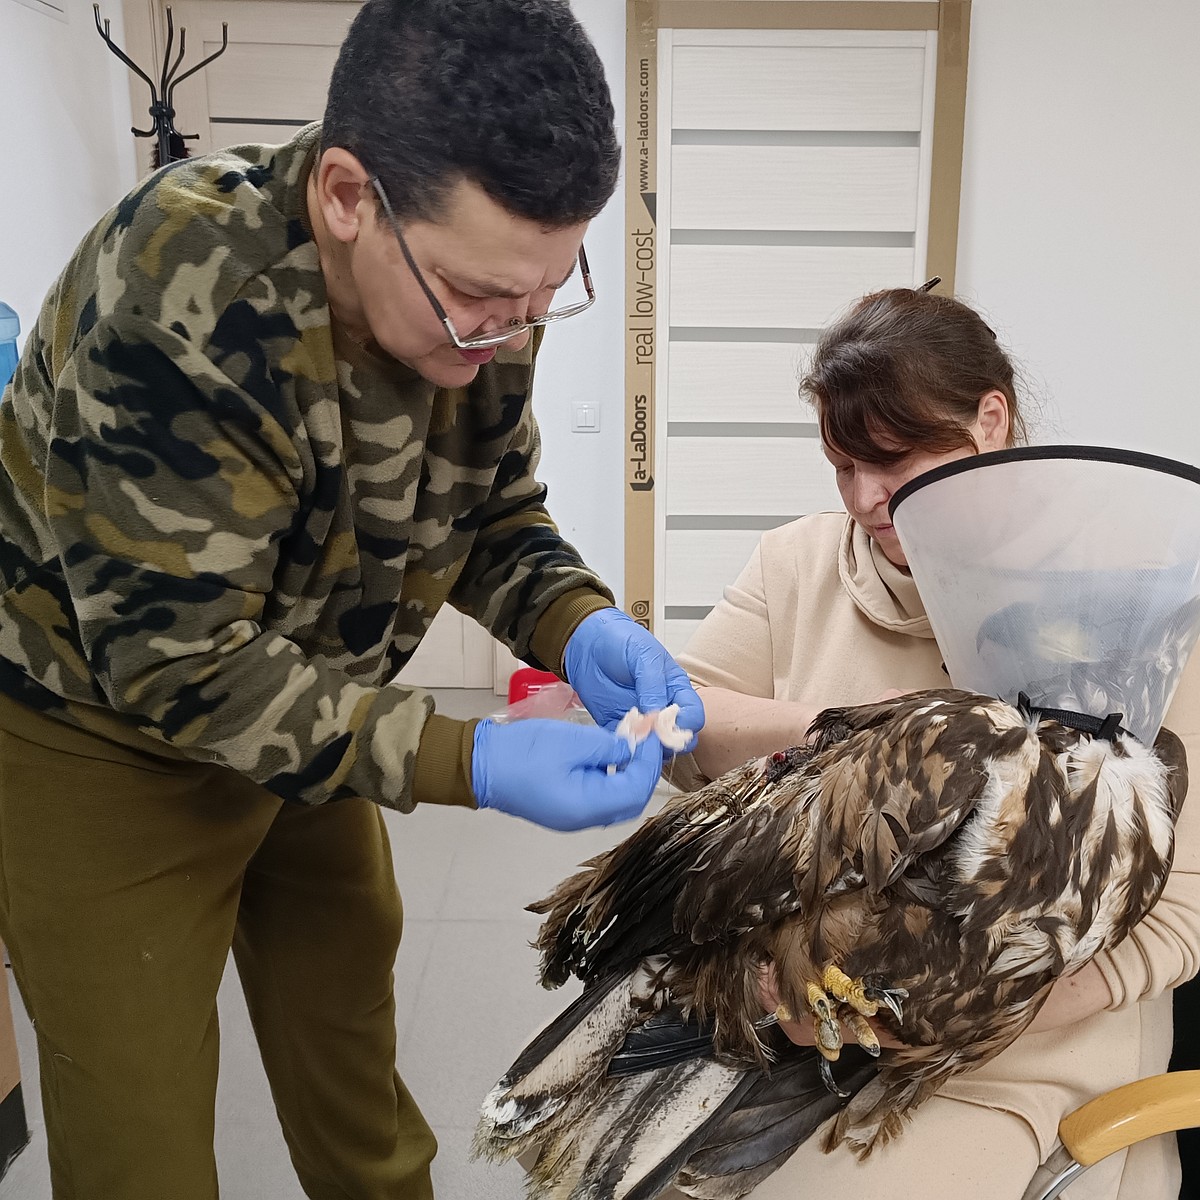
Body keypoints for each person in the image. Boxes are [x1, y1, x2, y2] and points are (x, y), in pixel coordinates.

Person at [0, 2, 703, 1198]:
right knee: (141, 1150)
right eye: (485, 294)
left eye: (547, 291)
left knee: (357, 1087)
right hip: (99, 736)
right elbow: (181, 667)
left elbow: (488, 511)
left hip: (315, 705)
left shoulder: (485, 295)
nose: (515, 328)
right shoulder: (178, 304)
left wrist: (583, 623)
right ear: (345, 196)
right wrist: (467, 758)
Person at [664, 286, 1200, 1199]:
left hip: (1022, 1046)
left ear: (989, 419)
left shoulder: (1140, 603)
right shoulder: (797, 562)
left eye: (895, 459)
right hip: (798, 1009)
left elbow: (1181, 917)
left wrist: (910, 1013)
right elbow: (681, 728)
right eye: (842, 466)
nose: (866, 499)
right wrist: (865, 735)